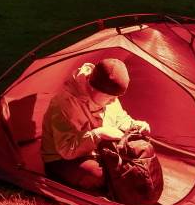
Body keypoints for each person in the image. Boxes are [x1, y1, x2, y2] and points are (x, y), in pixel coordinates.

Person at [41, 58, 150, 191]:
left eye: (116, 98)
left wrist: (134, 125)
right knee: (98, 177)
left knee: (141, 156)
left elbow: (120, 119)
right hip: (61, 159)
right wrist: (99, 134)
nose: (113, 101)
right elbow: (66, 149)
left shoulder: (108, 95)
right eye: (110, 97)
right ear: (92, 88)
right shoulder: (64, 104)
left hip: (96, 152)